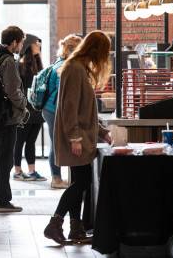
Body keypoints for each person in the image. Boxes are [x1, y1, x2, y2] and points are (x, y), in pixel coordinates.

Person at [44, 30, 112, 245]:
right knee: (80, 183)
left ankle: (76, 228)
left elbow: (85, 110)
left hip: (81, 135)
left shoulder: (79, 67)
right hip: (76, 137)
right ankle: (55, 223)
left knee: (78, 182)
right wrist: (74, 138)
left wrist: (102, 131)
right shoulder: (74, 69)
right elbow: (69, 106)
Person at [0, 26, 27, 213]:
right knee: (5, 160)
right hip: (7, 117)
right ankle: (3, 200)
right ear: (14, 42)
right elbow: (12, 90)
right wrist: (23, 104)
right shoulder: (8, 61)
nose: (21, 46)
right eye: (21, 42)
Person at [43, 34, 83, 189]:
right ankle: (56, 179)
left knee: (56, 142)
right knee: (56, 143)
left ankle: (58, 177)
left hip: (50, 108)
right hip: (54, 109)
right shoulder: (65, 66)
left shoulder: (61, 62)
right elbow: (65, 92)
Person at [13, 34, 47, 181]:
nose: (38, 46)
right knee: (19, 141)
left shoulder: (38, 64)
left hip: (37, 110)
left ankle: (32, 171)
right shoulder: (19, 65)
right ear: (28, 45)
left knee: (31, 141)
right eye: (36, 43)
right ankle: (17, 171)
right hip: (24, 110)